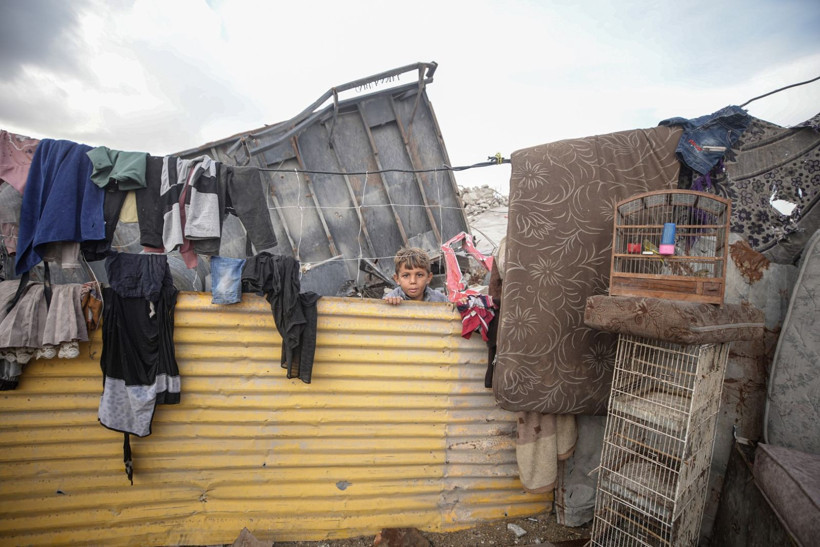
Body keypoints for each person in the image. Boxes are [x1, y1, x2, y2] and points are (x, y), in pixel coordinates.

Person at [383, 247, 448, 305]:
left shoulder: (440, 300)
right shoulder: (391, 299)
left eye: (419, 275)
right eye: (406, 276)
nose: (413, 281)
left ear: (429, 277)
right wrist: (390, 306)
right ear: (397, 279)